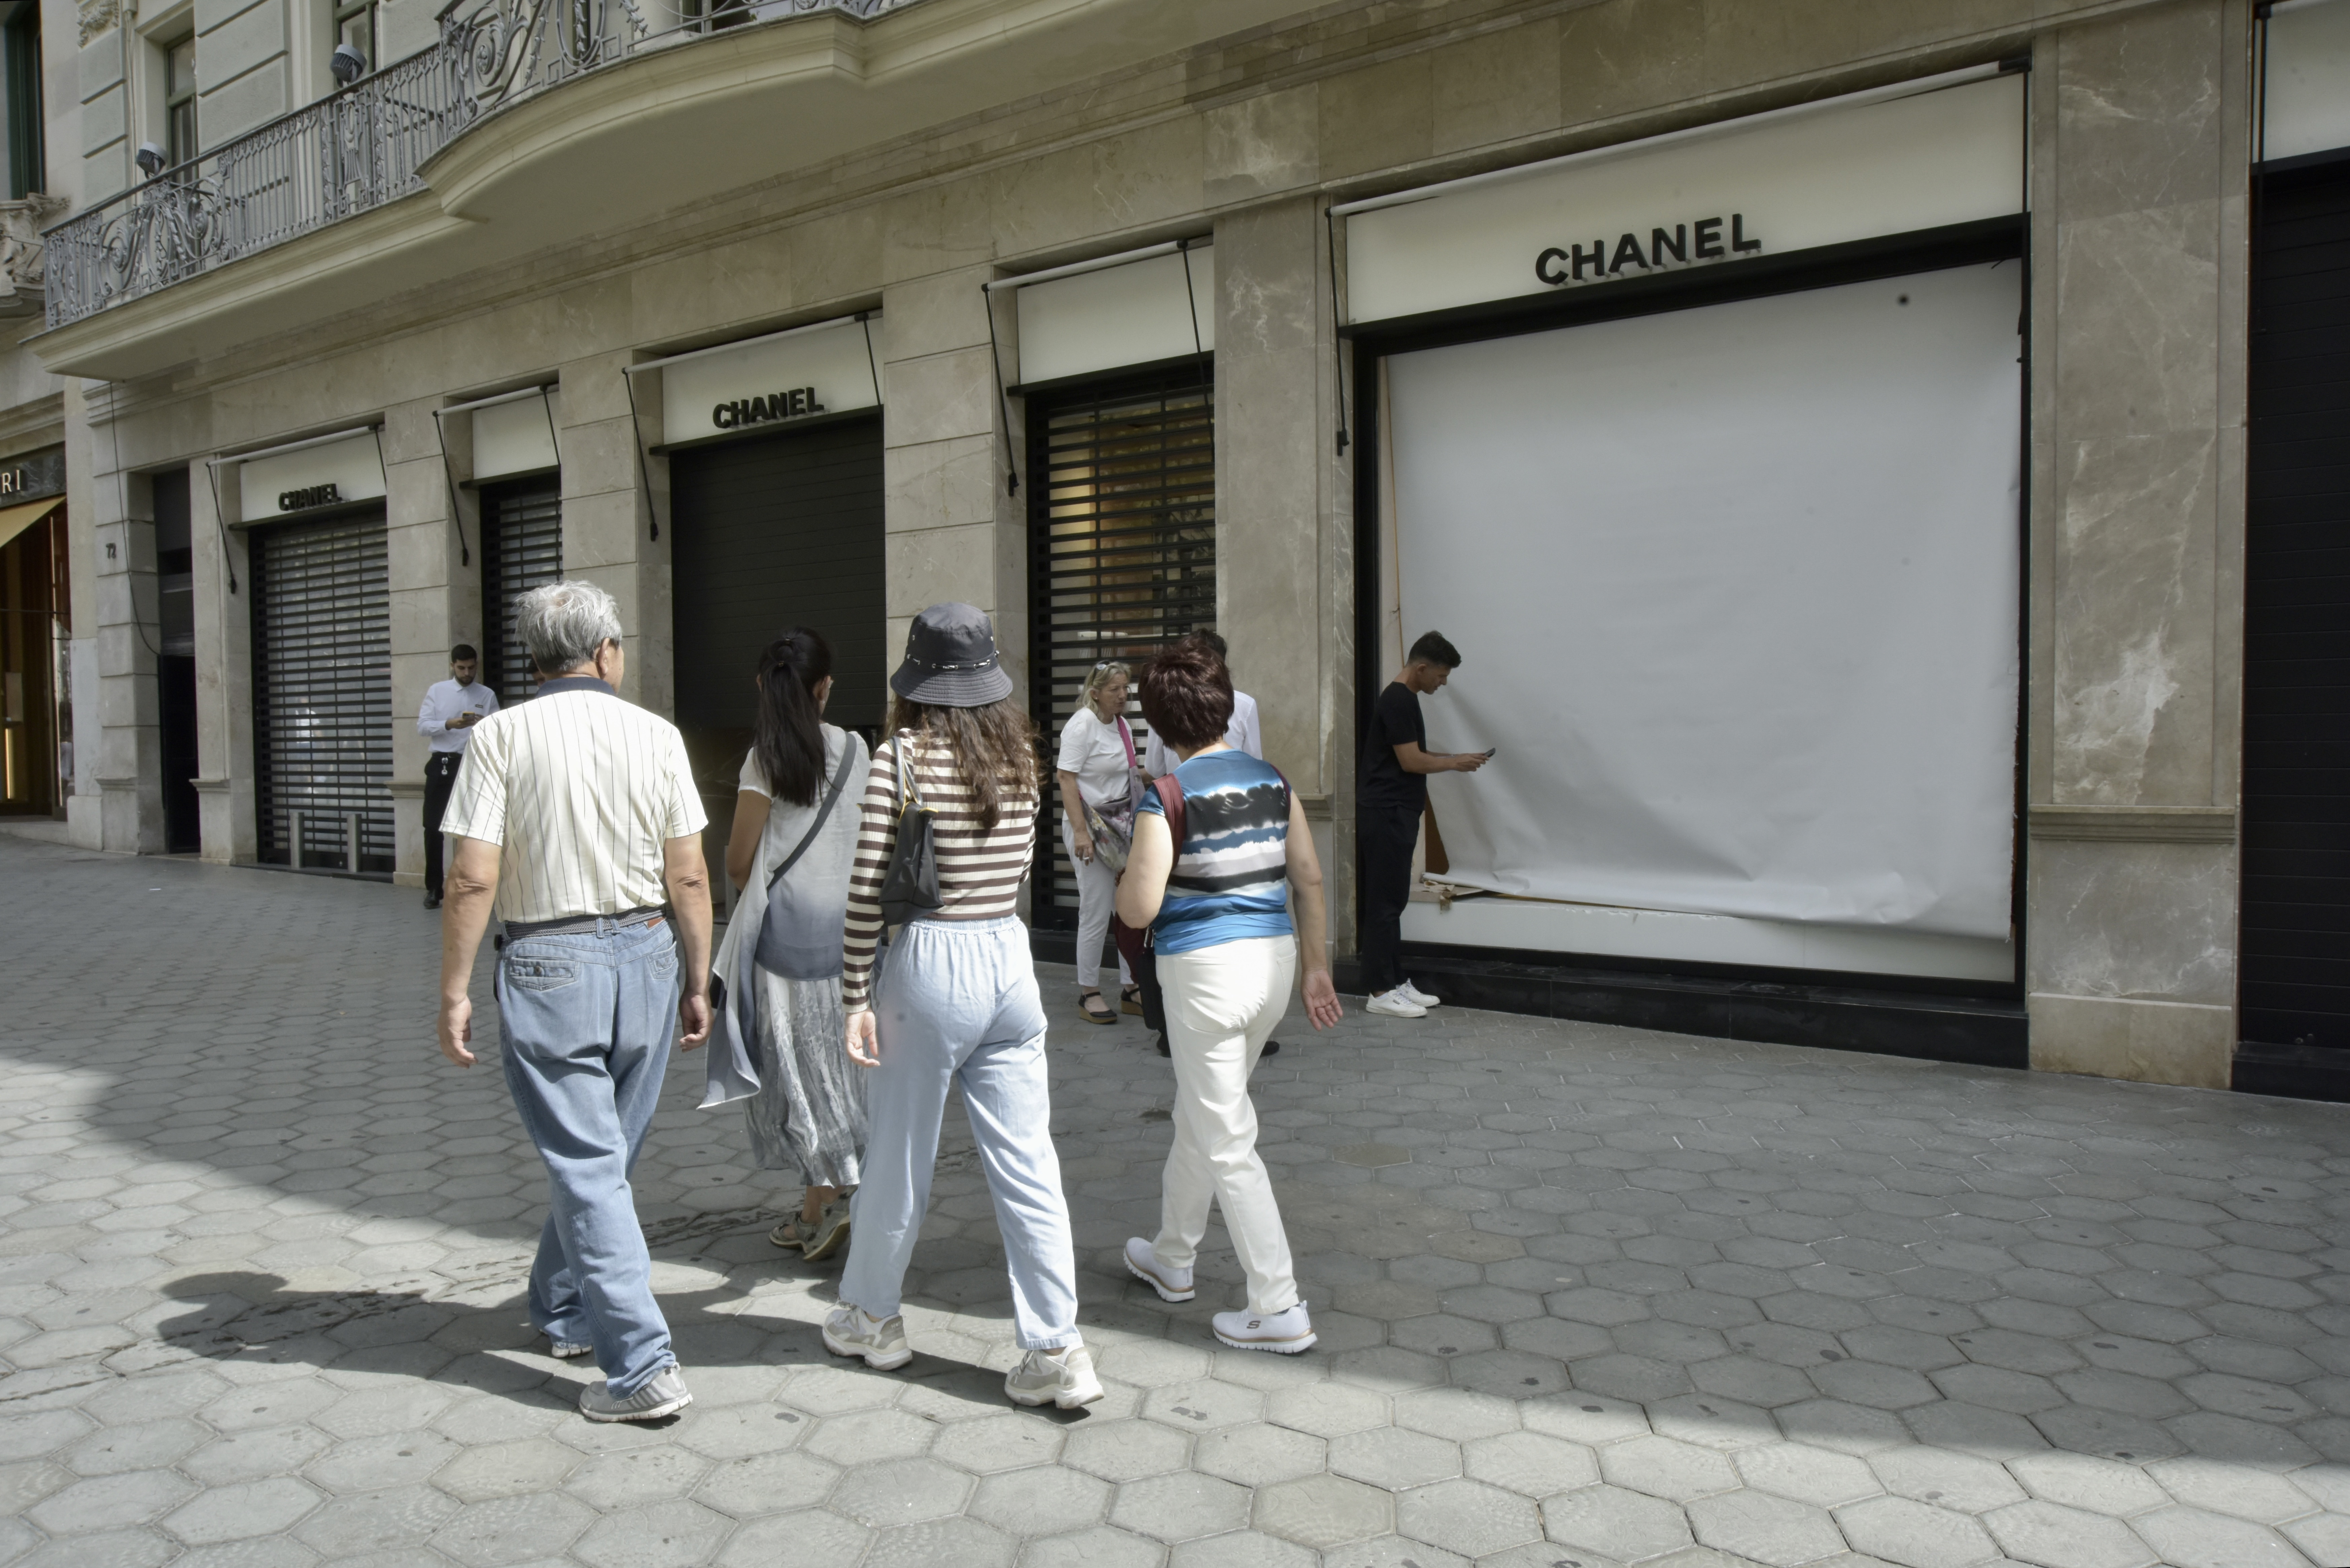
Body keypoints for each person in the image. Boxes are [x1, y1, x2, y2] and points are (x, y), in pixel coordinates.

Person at [434, 581, 713, 1424]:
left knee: (592, 1162)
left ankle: (642, 1367)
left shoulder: (499, 736)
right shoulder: (658, 735)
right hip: (647, 955)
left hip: (549, 962)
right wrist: (700, 978)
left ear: (533, 658)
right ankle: (561, 1308)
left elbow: (472, 873)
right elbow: (690, 872)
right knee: (603, 1156)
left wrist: (452, 988)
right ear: (606, 653)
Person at [825, 603, 1104, 1411]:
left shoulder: (899, 757)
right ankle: (1056, 1347)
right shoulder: (1021, 752)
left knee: (899, 1154)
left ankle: (872, 1316)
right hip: (1008, 958)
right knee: (1028, 1164)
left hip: (928, 964)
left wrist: (853, 995)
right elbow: (1019, 866)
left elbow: (870, 886)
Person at [1116, 637, 1343, 1352]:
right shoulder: (1272, 780)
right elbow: (1307, 878)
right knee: (1204, 1117)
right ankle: (1172, 1256)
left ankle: (1277, 1304)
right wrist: (1317, 967)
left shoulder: (1167, 796)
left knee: (1227, 1136)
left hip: (1204, 976)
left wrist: (1124, 869)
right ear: (1223, 705)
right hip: (1272, 966)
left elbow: (1138, 909)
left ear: (1158, 725)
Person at [717, 629, 870, 1263]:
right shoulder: (859, 748)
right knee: (837, 1071)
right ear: (825, 687)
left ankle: (836, 1196)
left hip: (782, 944)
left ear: (764, 686)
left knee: (799, 1078)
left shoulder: (764, 759)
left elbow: (737, 860)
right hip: (850, 941)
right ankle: (817, 1207)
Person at [1359, 631, 1487, 1019]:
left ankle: (1395, 982)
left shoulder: (1404, 698)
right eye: (1441, 675)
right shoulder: (1397, 699)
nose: (1443, 682)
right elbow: (1411, 763)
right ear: (1421, 668)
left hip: (1394, 811)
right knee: (1384, 902)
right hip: (1387, 812)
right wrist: (1455, 763)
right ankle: (1379, 990)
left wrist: (1455, 756)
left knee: (1394, 900)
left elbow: (1410, 753)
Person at [1055, 661, 1144, 1024]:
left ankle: (1130, 986)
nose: (1123, 696)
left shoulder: (1123, 725)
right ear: (1095, 693)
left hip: (1119, 828)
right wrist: (1080, 833)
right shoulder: (1082, 725)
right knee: (1095, 911)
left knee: (1126, 910)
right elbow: (1065, 778)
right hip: (1089, 828)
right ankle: (1089, 992)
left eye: (1126, 689)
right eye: (1115, 690)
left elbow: (1128, 774)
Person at [417, 643, 497, 910]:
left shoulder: (486, 694)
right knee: (433, 828)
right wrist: (449, 724)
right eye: (462, 668)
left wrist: (483, 723)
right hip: (442, 762)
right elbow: (423, 726)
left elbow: (499, 729)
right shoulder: (438, 691)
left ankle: (469, 884)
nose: (467, 672)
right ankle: (433, 887)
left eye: (471, 667)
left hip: (472, 764)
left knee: (472, 829)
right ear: (453, 666)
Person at [1143, 630, 1260, 774]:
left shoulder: (1164, 701)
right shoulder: (1244, 705)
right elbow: (1254, 765)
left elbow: (1155, 768)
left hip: (1181, 791)